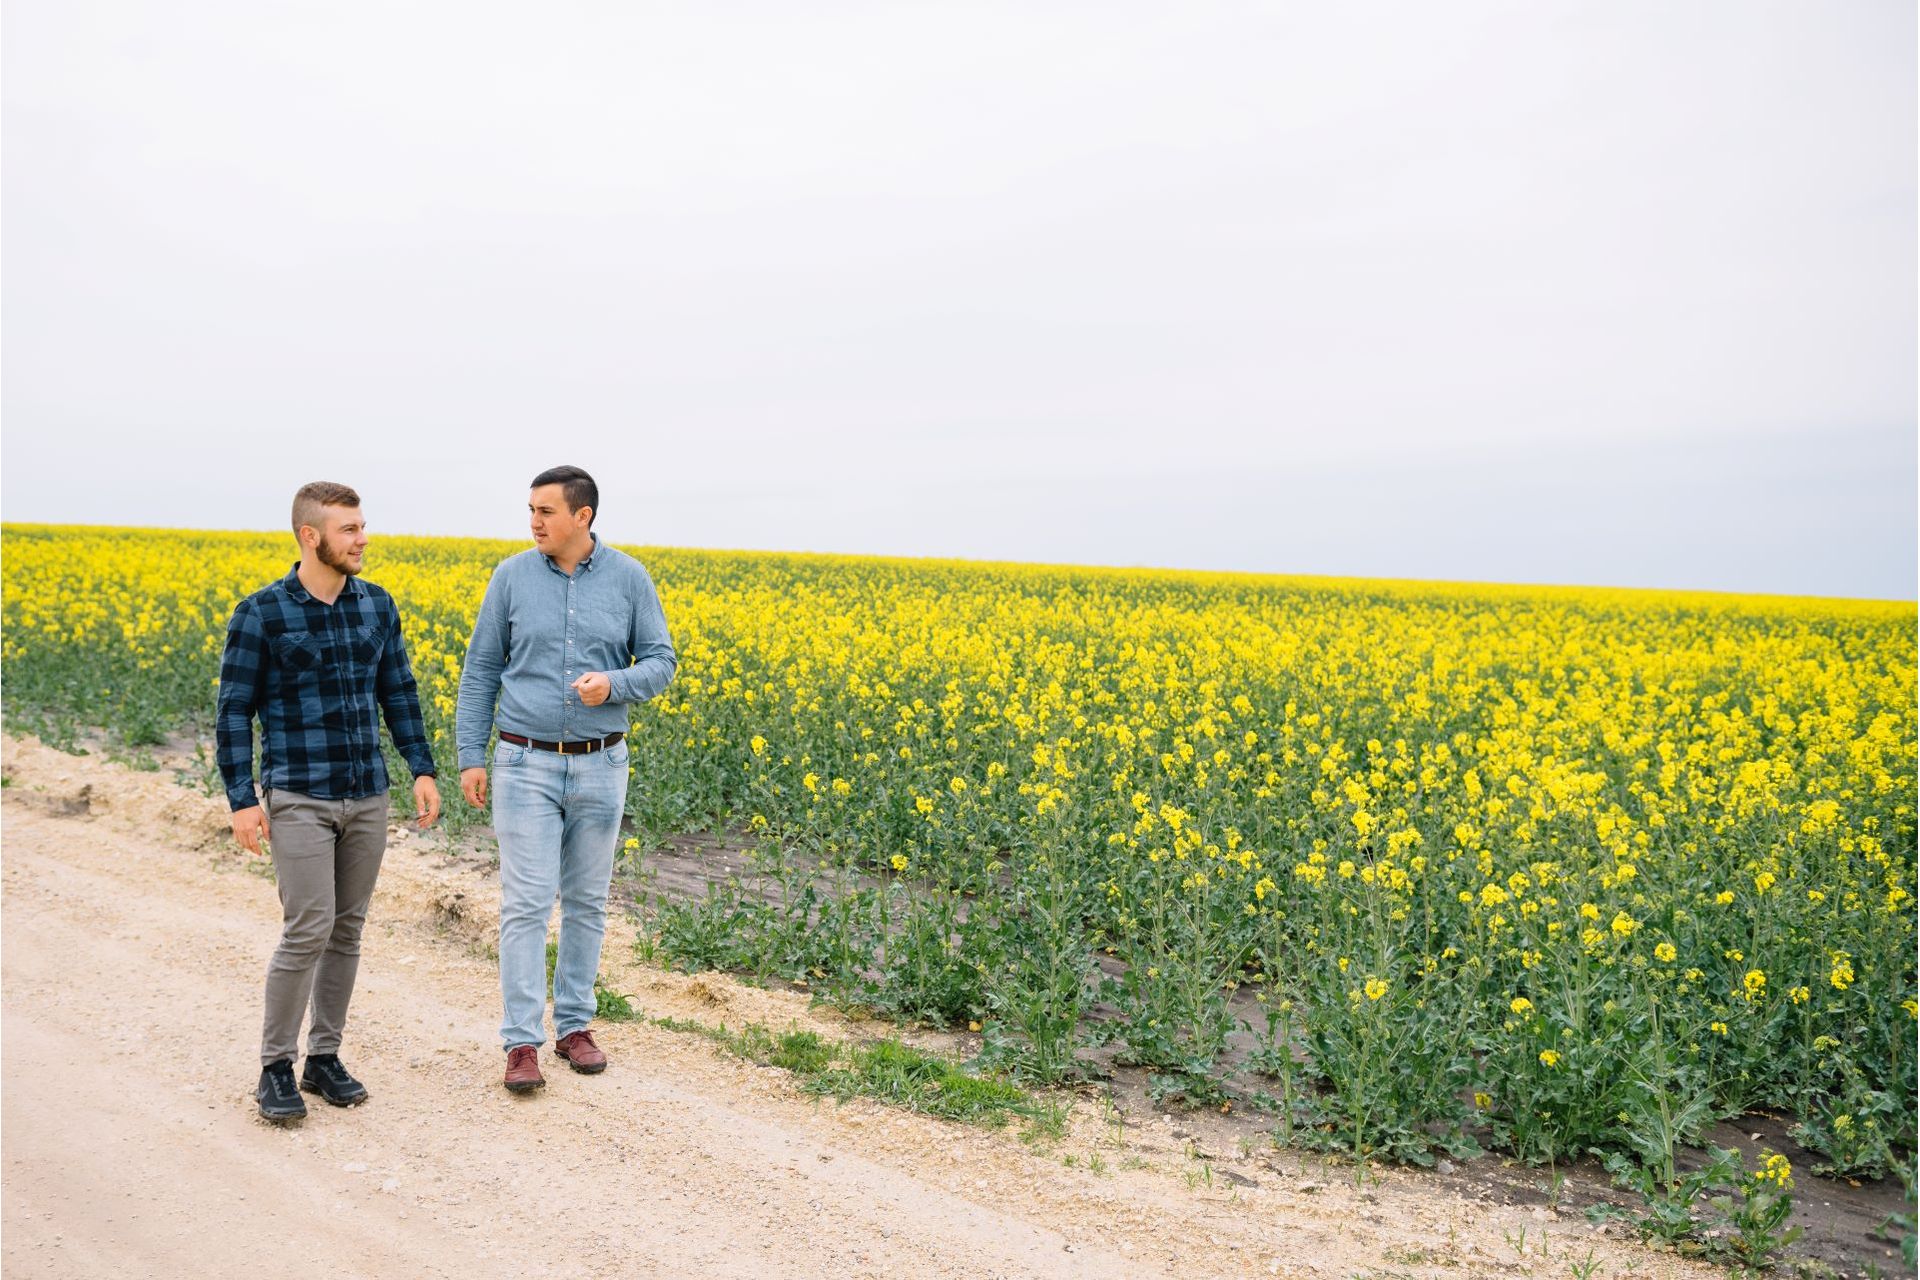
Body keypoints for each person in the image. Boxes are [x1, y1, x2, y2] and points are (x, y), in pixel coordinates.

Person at [217, 481, 442, 1125]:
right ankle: (274, 1066)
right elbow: (233, 713)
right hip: (299, 795)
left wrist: (420, 767)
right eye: (349, 529)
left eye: (363, 525)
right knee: (307, 928)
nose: (363, 538)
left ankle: (324, 1058)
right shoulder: (261, 613)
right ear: (311, 537)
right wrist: (241, 799)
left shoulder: (376, 606)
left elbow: (398, 690)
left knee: (347, 930)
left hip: (367, 793)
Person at [456, 465, 676, 1093]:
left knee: (586, 902)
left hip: (603, 761)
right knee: (526, 903)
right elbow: (480, 672)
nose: (534, 522)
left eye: (546, 511)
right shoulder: (511, 577)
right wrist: (472, 754)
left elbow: (662, 663)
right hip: (524, 762)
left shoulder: (630, 579)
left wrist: (616, 684)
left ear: (583, 516)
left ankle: (575, 1027)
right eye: (530, 509)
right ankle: (520, 1041)